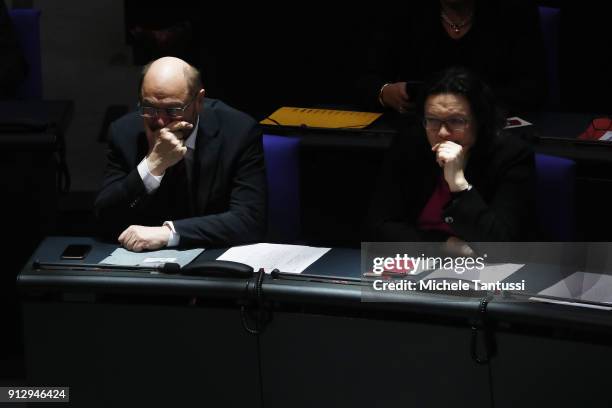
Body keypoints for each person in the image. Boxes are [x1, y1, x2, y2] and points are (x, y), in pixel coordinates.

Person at [95, 56, 267, 251]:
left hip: (212, 258)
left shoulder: (238, 131)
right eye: (149, 107)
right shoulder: (124, 133)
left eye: (172, 110)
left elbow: (249, 220)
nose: (159, 121)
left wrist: (170, 233)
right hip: (142, 264)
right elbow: (104, 218)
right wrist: (152, 166)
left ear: (199, 101)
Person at [367, 67, 535, 244]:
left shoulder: (511, 155)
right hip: (423, 261)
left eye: (456, 121)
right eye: (432, 120)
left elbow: (502, 244)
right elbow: (378, 227)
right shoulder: (411, 145)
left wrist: (459, 185)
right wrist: (444, 245)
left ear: (480, 120)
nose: (442, 132)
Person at [356, 0, 547, 115]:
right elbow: (364, 79)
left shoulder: (514, 10)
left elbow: (534, 88)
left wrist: (471, 104)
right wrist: (384, 93)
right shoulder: (402, 9)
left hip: (494, 136)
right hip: (416, 135)